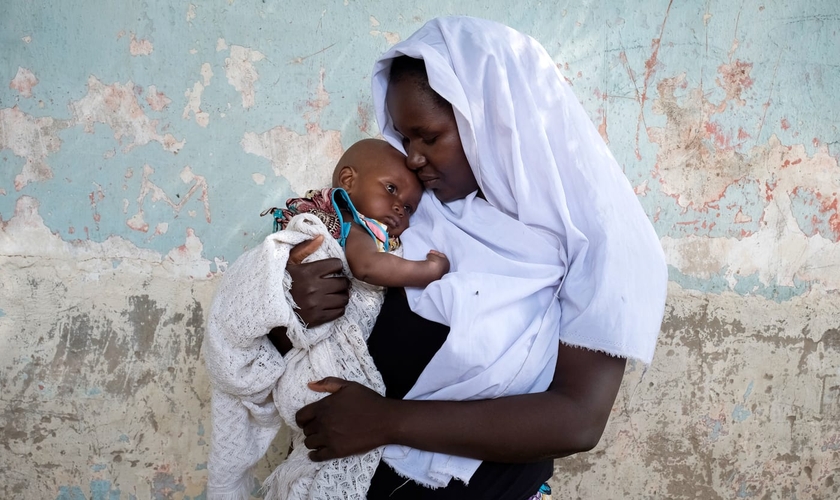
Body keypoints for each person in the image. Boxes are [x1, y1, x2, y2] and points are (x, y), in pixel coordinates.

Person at [277, 16, 668, 499]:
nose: (413, 158)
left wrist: (387, 422)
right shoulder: (408, 215)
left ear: (494, 122)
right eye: (404, 139)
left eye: (429, 136)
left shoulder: (600, 242)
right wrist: (291, 304)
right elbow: (305, 344)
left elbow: (578, 418)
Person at [203, 139, 449, 499]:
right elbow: (367, 267)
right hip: (321, 376)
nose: (400, 209)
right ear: (348, 180)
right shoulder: (353, 222)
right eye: (391, 190)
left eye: (410, 207)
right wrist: (429, 269)